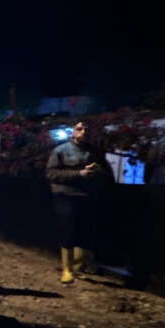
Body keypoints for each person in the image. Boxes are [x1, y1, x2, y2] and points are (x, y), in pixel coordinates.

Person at [45, 119, 114, 284]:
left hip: (87, 196)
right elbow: (51, 174)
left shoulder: (95, 152)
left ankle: (77, 268)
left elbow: (107, 173)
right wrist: (79, 174)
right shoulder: (61, 150)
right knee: (68, 230)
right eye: (79, 129)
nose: (83, 132)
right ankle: (67, 269)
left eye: (86, 130)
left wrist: (98, 172)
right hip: (66, 195)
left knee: (84, 231)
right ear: (73, 131)